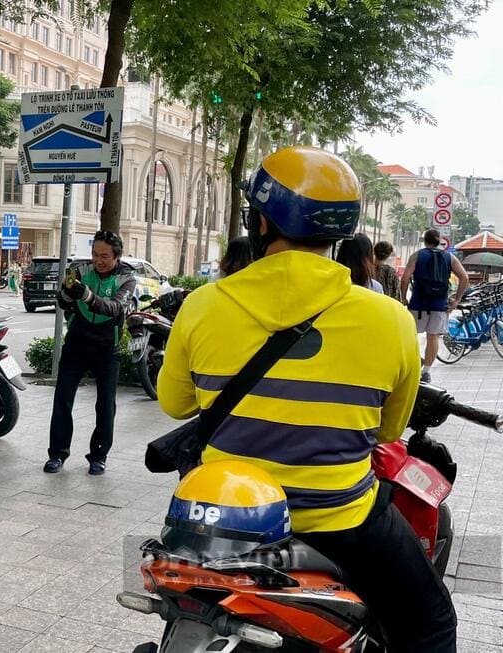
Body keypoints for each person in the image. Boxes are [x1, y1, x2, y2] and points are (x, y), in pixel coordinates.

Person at [158, 146, 455, 652]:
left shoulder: (202, 306)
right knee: (431, 624)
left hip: (224, 525)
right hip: (339, 519)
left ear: (259, 222)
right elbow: (386, 433)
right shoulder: (390, 320)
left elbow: (175, 404)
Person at [44, 230, 136, 476]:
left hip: (107, 347)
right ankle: (57, 454)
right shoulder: (81, 270)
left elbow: (115, 308)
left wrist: (86, 295)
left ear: (117, 256)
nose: (99, 260)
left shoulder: (126, 278)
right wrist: (66, 292)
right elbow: (62, 303)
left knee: (106, 404)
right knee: (63, 398)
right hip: (77, 343)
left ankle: (98, 456)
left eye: (105, 256)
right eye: (95, 254)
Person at [400, 228, 469, 383]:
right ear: (439, 241)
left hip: (418, 303)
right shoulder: (449, 257)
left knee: (411, 337)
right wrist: (456, 300)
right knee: (433, 338)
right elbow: (464, 277)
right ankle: (426, 372)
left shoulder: (417, 256)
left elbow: (405, 279)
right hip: (440, 304)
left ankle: (414, 364)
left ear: (425, 240)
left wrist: (403, 297)